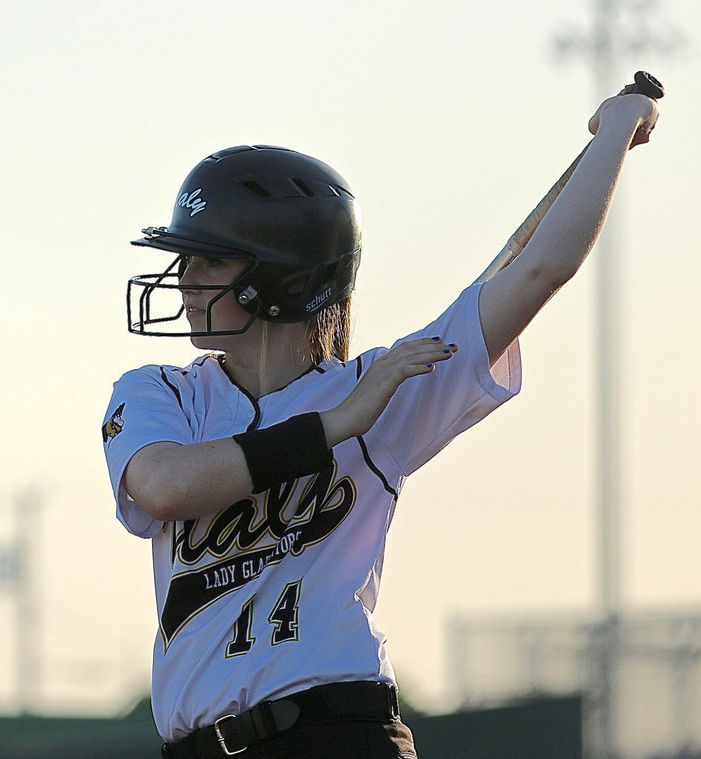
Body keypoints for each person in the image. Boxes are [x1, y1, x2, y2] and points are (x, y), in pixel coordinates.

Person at [102, 89, 659, 758]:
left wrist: (618, 128)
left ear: (281, 277)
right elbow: (165, 486)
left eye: (210, 260)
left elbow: (543, 266)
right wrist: (335, 425)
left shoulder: (385, 382)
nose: (185, 279)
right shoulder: (160, 392)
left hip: (339, 735)